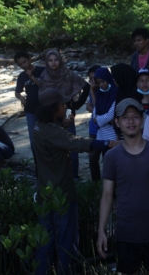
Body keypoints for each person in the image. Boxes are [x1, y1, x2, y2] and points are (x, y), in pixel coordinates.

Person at [34, 88, 117, 275]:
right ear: (53, 108)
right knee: (66, 243)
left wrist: (61, 127)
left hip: (44, 194)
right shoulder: (54, 132)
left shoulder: (39, 126)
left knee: (45, 241)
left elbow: (55, 140)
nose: (65, 105)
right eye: (62, 104)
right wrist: (109, 143)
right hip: (62, 194)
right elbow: (77, 143)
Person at [96, 98, 149, 275]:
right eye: (125, 117)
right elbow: (107, 195)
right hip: (126, 234)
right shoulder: (112, 157)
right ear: (117, 122)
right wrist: (101, 231)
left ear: (142, 120)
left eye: (135, 116)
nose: (131, 121)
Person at [39, 49, 91, 180]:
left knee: (71, 142)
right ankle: (59, 176)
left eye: (56, 60)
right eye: (50, 60)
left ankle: (74, 175)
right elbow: (42, 98)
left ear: (60, 60)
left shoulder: (67, 73)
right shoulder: (44, 76)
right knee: (54, 146)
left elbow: (85, 86)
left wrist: (77, 104)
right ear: (46, 62)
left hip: (67, 112)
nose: (54, 63)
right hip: (51, 115)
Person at [90, 67, 118, 180]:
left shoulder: (115, 92)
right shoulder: (99, 93)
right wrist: (99, 119)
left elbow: (111, 114)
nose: (101, 85)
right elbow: (94, 112)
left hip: (112, 133)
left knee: (113, 161)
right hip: (101, 133)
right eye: (99, 83)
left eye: (103, 81)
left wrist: (99, 119)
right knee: (105, 160)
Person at [14, 52, 44, 153]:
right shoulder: (22, 76)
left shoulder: (42, 71)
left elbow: (45, 87)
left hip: (45, 108)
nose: (23, 65)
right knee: (33, 138)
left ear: (30, 59)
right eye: (20, 64)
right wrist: (21, 97)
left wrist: (32, 78)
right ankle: (38, 165)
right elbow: (17, 92)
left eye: (25, 62)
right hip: (30, 109)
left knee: (47, 135)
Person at [86, 65, 102, 181]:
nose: (93, 81)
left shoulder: (106, 91)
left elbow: (97, 108)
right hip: (93, 129)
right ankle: (95, 185)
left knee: (108, 159)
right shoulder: (92, 90)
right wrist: (97, 113)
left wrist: (97, 112)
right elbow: (88, 106)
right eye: (91, 79)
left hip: (105, 130)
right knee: (92, 158)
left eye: (95, 78)